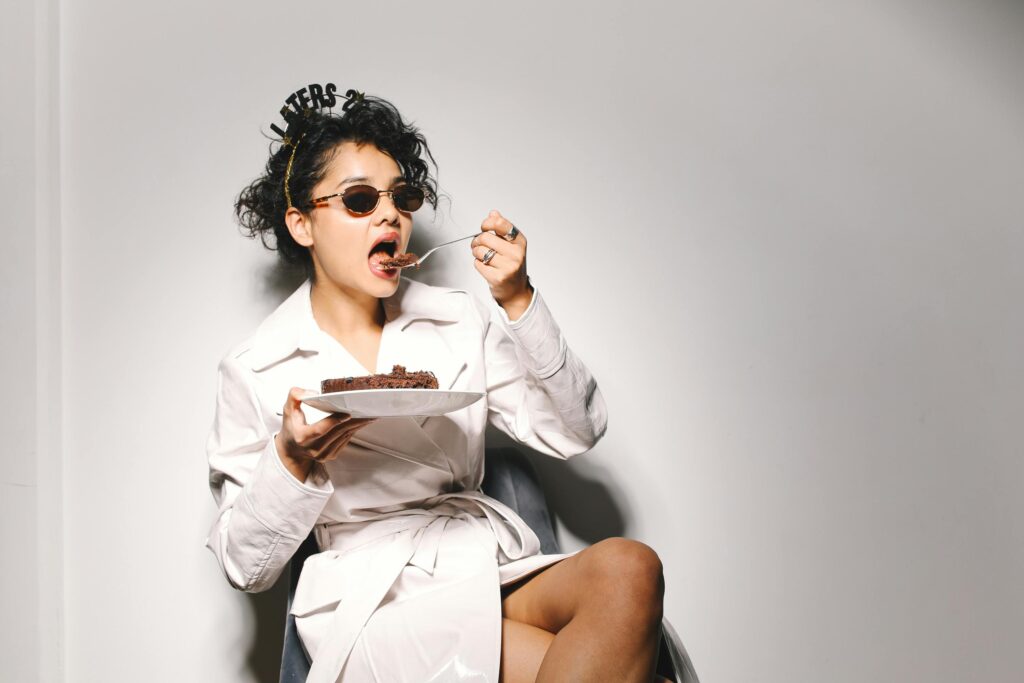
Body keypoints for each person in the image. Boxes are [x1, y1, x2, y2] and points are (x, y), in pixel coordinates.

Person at [206, 86, 668, 682]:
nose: (390, 214)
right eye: (360, 199)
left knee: (630, 567)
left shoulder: (458, 319)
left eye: (403, 196)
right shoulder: (257, 364)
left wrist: (518, 300)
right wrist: (290, 463)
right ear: (301, 224)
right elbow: (246, 567)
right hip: (372, 599)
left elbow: (578, 430)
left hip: (480, 564)